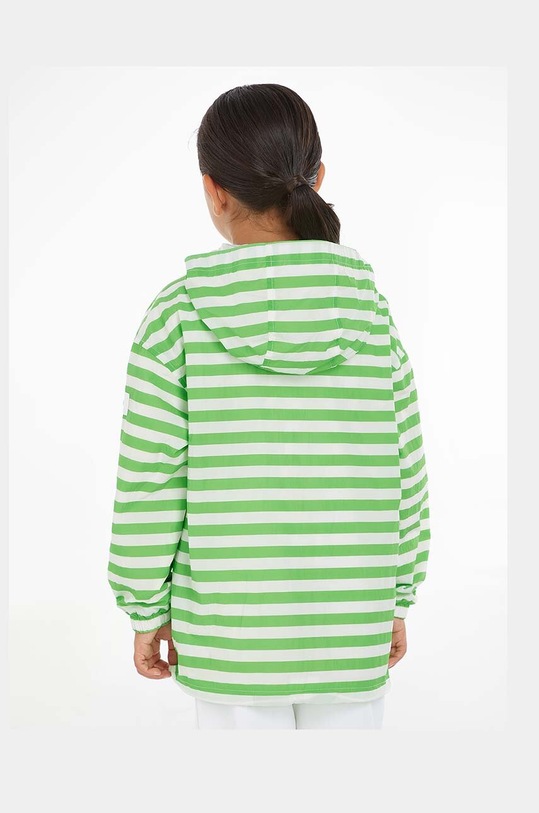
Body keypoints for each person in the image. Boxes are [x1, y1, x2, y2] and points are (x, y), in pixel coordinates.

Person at [106, 83, 431, 730]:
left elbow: (150, 480)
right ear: (317, 178)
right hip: (350, 625)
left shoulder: (177, 316)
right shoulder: (370, 312)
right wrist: (396, 596)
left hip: (229, 637)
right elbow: (405, 469)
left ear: (214, 190)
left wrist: (146, 608)